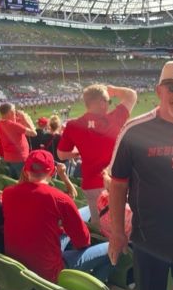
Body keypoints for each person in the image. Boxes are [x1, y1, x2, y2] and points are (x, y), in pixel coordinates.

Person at [108, 60, 173, 290]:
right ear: (159, 90)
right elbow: (117, 185)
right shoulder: (135, 130)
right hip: (149, 234)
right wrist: (117, 232)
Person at [2, 150, 112, 283]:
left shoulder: (7, 193)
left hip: (15, 266)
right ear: (52, 172)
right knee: (112, 248)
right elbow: (83, 241)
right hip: (48, 272)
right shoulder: (60, 199)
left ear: (25, 171)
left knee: (70, 227)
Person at [57, 84, 137, 229]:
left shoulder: (73, 125)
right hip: (116, 182)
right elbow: (131, 95)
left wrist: (79, 152)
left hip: (91, 183)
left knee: (99, 224)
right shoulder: (114, 119)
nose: (109, 105)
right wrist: (113, 89)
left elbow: (61, 154)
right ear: (101, 102)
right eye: (108, 101)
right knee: (122, 224)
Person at [0, 103, 37, 179]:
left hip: (8, 157)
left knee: (13, 177)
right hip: (19, 158)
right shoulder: (14, 126)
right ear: (11, 112)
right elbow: (34, 133)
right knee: (24, 180)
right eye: (14, 110)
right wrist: (24, 119)